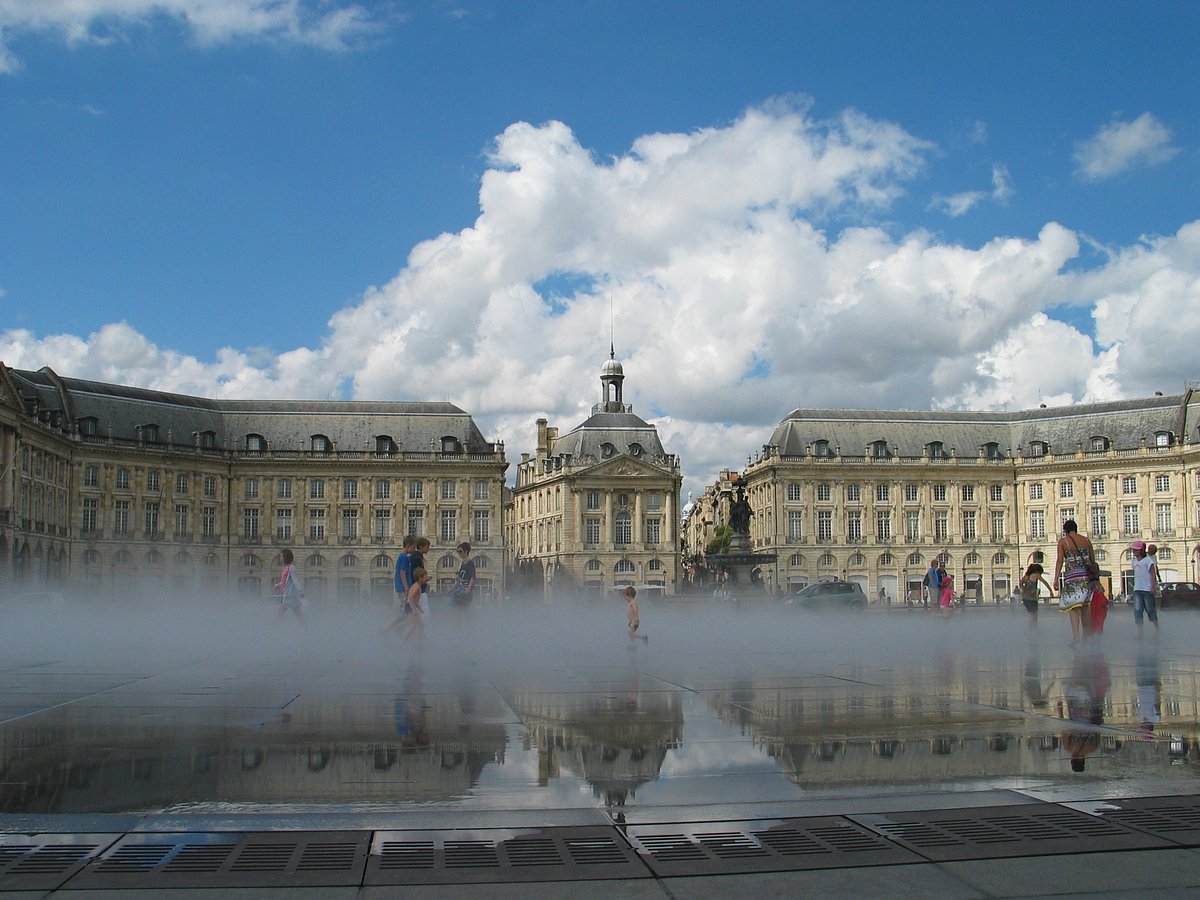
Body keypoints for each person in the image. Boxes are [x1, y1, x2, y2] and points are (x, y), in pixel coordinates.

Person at [1054, 519, 1095, 644]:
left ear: (1065, 530)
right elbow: (1092, 560)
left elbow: (1060, 561)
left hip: (1072, 577)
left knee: (1074, 608)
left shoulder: (1063, 542)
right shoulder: (1086, 540)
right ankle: (1087, 636)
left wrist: (1056, 578)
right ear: (1076, 528)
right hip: (1086, 577)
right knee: (1085, 607)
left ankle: (1076, 636)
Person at [382, 535, 417, 634]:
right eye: (413, 547)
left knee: (405, 611)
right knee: (405, 612)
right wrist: (407, 588)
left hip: (401, 587)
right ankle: (388, 630)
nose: (414, 549)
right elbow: (402, 573)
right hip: (403, 588)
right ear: (408, 545)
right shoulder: (404, 557)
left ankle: (389, 630)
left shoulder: (403, 557)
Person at [1130, 539, 1159, 636]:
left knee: (1150, 609)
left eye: (1136, 549)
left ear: (1141, 550)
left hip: (1147, 589)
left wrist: (1153, 587)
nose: (1134, 551)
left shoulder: (1148, 560)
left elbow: (1153, 573)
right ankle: (1140, 632)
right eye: (1133, 549)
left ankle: (1156, 629)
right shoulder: (1134, 562)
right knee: (1137, 610)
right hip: (1137, 589)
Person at [399, 567, 431, 649]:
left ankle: (419, 643)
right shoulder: (417, 587)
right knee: (414, 626)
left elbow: (415, 600)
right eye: (425, 577)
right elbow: (412, 598)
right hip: (410, 607)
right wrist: (414, 610)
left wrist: (419, 607)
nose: (426, 578)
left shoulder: (417, 585)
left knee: (419, 625)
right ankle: (402, 643)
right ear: (420, 578)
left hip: (410, 606)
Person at [1019, 563, 1055, 630]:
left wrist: (1026, 588)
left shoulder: (1026, 576)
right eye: (1040, 572)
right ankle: (1032, 630)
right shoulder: (1036, 575)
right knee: (1034, 615)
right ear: (1037, 571)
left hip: (1025, 598)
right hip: (1032, 599)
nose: (1040, 574)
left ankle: (1034, 630)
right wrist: (1051, 591)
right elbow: (1045, 583)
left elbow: (1020, 584)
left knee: (1032, 614)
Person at [275, 549, 306, 624]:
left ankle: (277, 629)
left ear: (286, 558)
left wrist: (301, 591)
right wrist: (278, 584)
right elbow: (286, 581)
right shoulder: (286, 568)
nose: (280, 558)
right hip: (287, 594)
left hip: (290, 595)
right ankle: (306, 628)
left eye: (281, 557)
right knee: (298, 612)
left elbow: (295, 580)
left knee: (281, 612)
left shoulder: (291, 568)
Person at [451, 542, 476, 607]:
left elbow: (472, 577)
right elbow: (459, 579)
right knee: (458, 610)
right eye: (457, 551)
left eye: (460, 551)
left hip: (466, 591)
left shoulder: (469, 563)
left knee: (463, 610)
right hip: (461, 590)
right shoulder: (462, 563)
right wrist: (452, 588)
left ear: (466, 551)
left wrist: (468, 589)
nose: (458, 553)